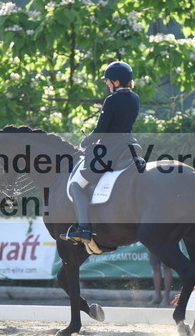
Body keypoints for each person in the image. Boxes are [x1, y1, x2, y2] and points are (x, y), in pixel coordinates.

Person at [60, 61, 140, 244]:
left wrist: (84, 142)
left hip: (110, 149)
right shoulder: (135, 98)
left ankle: (84, 229)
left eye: (109, 80)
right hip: (130, 145)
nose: (107, 83)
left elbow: (101, 130)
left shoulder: (112, 100)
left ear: (116, 82)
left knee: (76, 185)